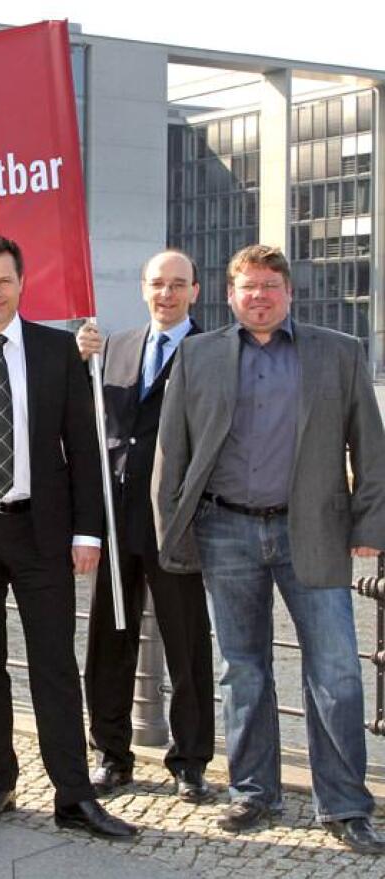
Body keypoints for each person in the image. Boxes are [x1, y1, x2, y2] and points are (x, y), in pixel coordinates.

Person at [153, 244, 385, 853]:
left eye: (270, 287)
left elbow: (371, 446)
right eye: (247, 287)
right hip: (224, 529)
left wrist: (369, 530)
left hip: (313, 529)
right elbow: (171, 454)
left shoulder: (339, 352)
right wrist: (171, 530)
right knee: (243, 668)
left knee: (335, 672)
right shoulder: (196, 356)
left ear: (288, 293)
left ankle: (345, 805)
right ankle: (254, 792)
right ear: (229, 295)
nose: (259, 296)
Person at [0, 235, 137, 839]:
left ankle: (73, 794)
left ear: (22, 283)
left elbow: (86, 448)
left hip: (44, 531)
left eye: (5, 281)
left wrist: (88, 531)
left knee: (54, 666)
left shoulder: (59, 350)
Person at [76, 250, 215, 801]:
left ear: (196, 292)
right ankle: (111, 754)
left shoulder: (211, 352)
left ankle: (190, 760)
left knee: (186, 643)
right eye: (158, 284)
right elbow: (94, 425)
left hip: (177, 520)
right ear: (142, 289)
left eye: (178, 285)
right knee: (109, 641)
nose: (167, 294)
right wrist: (77, 357)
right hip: (114, 519)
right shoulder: (112, 347)